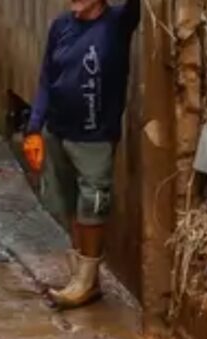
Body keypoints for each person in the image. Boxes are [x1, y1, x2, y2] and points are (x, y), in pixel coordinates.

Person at [24, 0, 140, 309]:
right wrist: (34, 127)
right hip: (58, 130)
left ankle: (86, 281)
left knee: (93, 205)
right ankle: (82, 277)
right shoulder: (61, 26)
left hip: (94, 136)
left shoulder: (117, 22)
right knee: (71, 204)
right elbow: (47, 78)